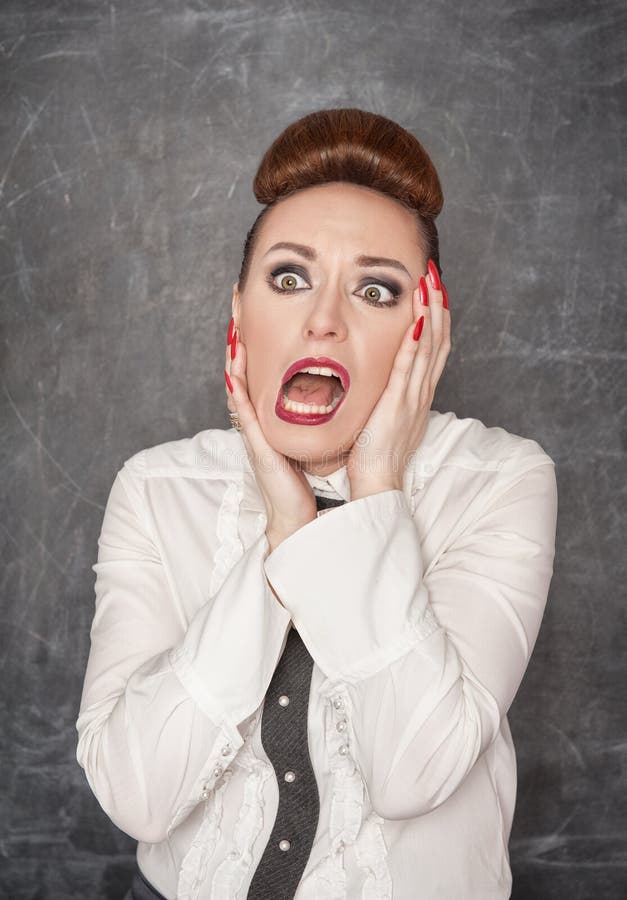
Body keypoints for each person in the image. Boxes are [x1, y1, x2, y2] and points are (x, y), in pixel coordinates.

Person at [76, 108, 558, 900]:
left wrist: (376, 492)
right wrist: (283, 537)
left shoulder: (498, 479)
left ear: (424, 330)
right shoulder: (158, 488)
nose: (324, 320)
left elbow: (413, 773)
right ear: (238, 310)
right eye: (289, 277)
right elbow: (138, 798)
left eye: (375, 289)